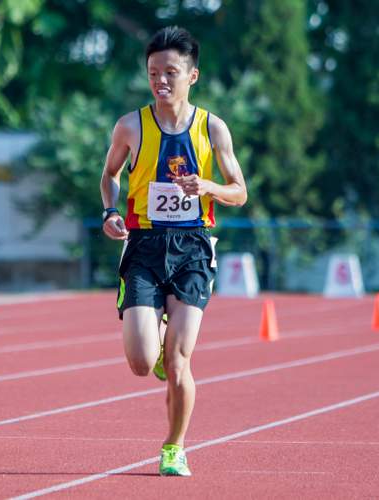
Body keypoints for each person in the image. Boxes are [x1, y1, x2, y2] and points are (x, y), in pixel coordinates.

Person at [99, 26, 247, 476]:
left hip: (193, 249)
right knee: (143, 363)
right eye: (153, 73)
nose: (161, 81)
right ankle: (156, 344)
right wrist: (109, 212)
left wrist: (208, 187)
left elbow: (240, 191)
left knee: (180, 360)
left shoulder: (213, 128)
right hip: (143, 245)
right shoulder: (130, 125)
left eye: (171, 73)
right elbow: (110, 175)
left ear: (192, 76)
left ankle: (173, 446)